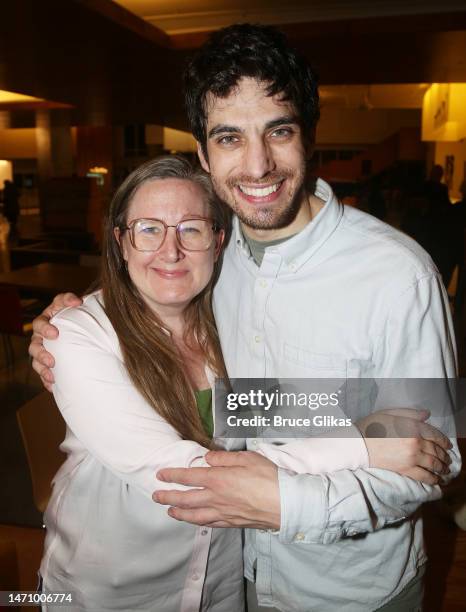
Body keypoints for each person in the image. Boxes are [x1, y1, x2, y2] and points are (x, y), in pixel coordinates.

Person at [30, 25, 460, 612]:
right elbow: (250, 405)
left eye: (278, 131)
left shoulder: (397, 274)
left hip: (347, 592)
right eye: (230, 137)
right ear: (204, 155)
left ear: (310, 137)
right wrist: (75, 318)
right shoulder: (211, 262)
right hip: (235, 576)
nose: (257, 165)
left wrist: (285, 501)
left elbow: (434, 455)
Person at [38, 156, 246, 611]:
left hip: (221, 582)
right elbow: (173, 473)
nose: (170, 252)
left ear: (218, 240)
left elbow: (280, 415)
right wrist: (359, 455)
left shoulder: (237, 329)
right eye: (149, 229)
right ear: (121, 243)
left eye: (190, 228)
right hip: (108, 591)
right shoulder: (78, 333)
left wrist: (377, 425)